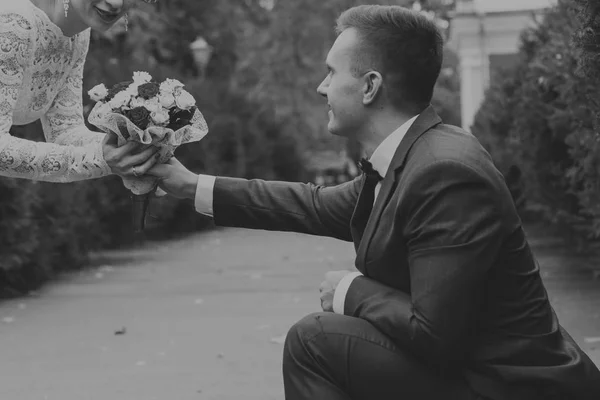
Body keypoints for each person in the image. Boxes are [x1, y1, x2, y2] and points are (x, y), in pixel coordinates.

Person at [147, 5, 600, 400]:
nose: (321, 88)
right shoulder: (410, 158)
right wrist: (187, 185)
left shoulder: (445, 172)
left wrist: (349, 291)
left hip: (514, 388)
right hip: (472, 374)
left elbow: (436, 336)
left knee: (316, 341)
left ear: (370, 86)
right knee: (324, 341)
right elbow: (310, 204)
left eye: (331, 72)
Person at [0, 0, 159, 184]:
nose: (115, 3)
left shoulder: (79, 33)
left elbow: (65, 130)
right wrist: (99, 160)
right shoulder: (11, 23)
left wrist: (137, 150)